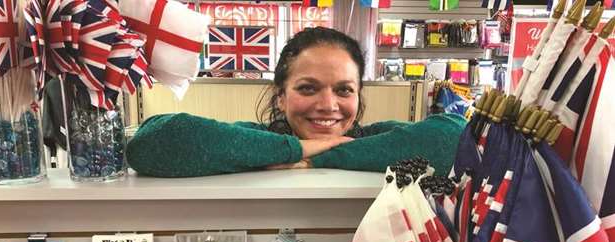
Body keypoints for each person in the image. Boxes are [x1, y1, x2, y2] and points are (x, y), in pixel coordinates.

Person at [126, 27, 466, 177]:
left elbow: (454, 136)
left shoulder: (372, 139)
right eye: (308, 88)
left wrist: (320, 158)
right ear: (281, 97)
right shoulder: (257, 139)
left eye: (344, 90)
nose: (328, 104)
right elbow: (152, 142)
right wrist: (295, 150)